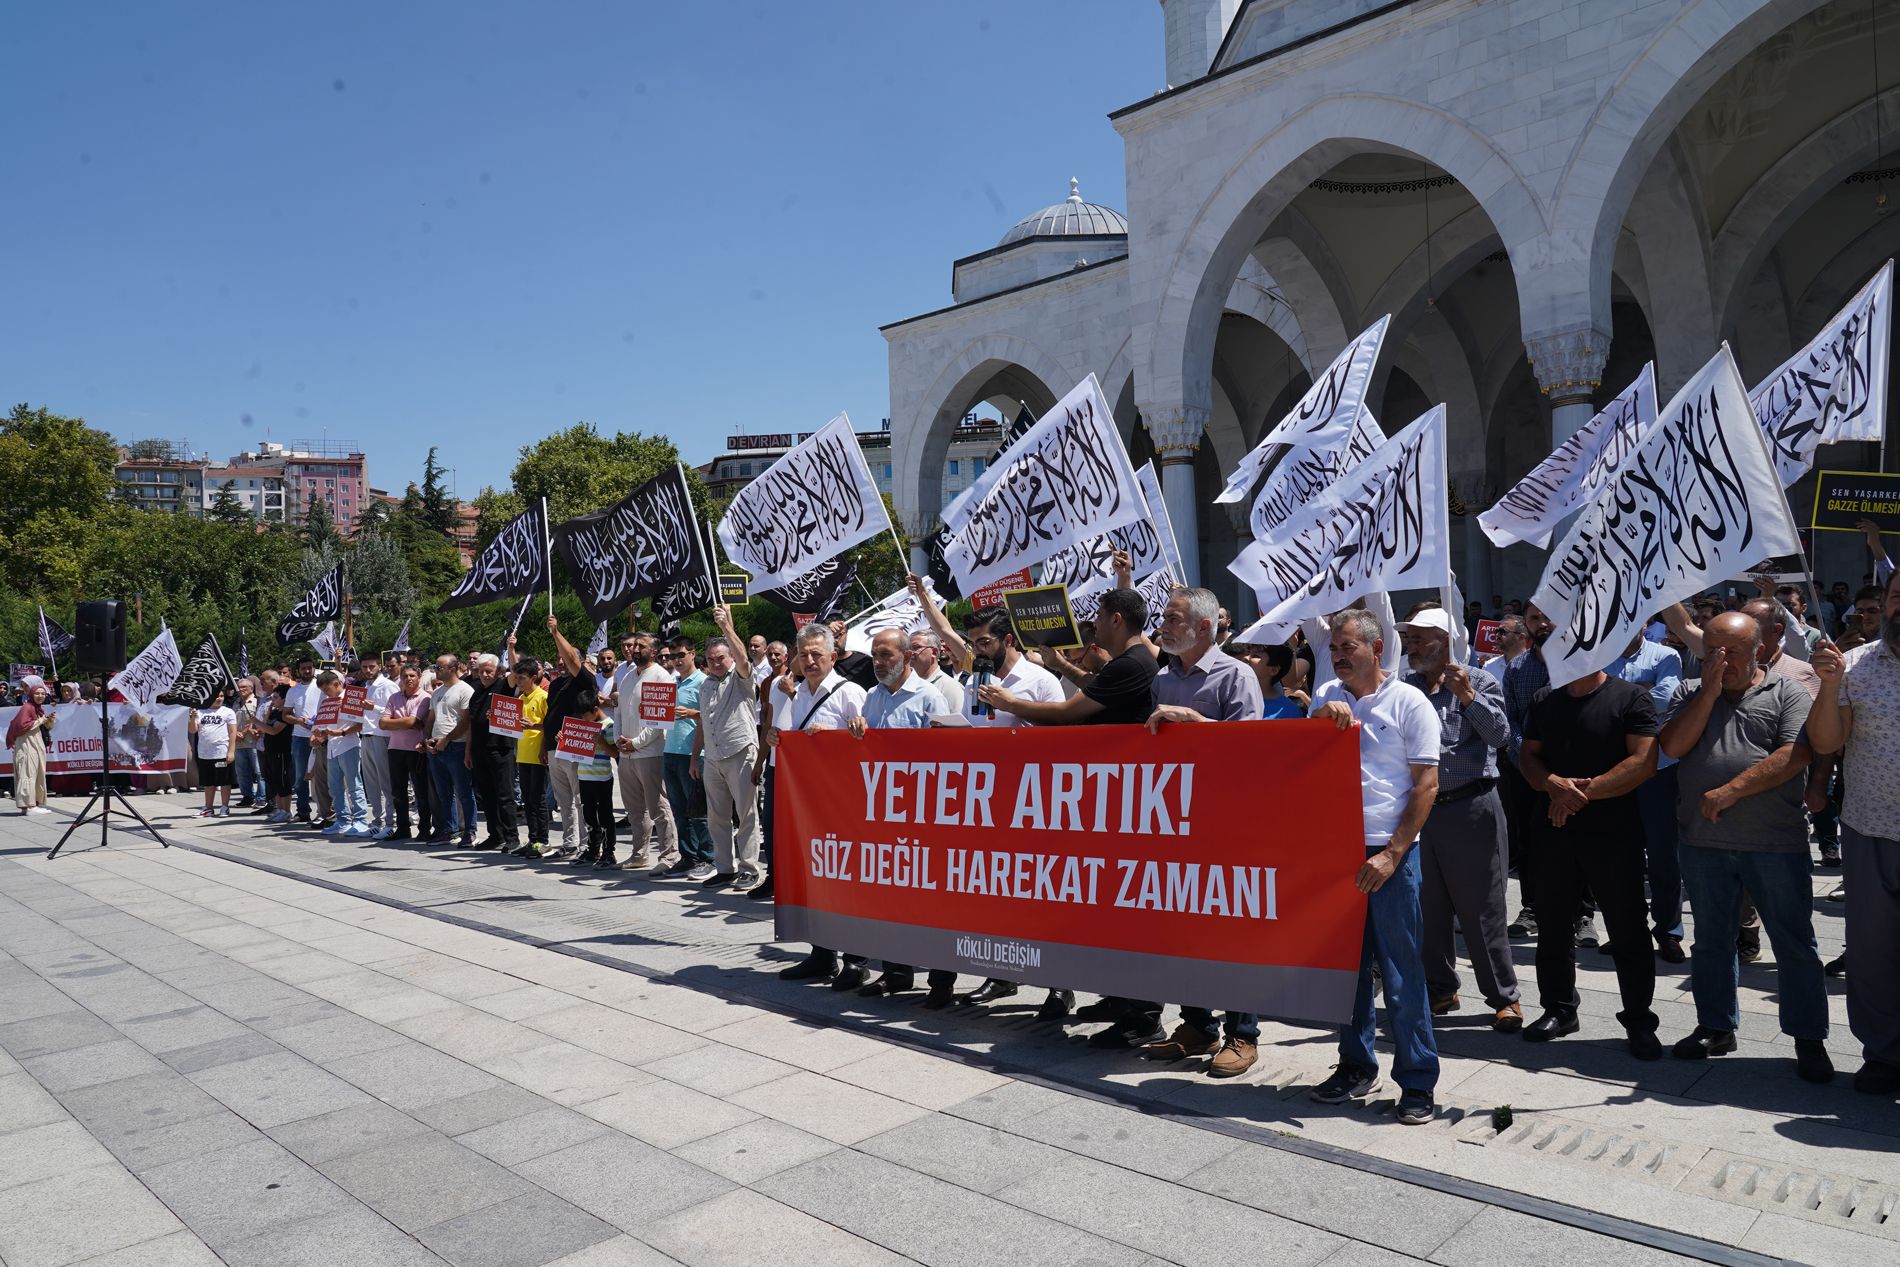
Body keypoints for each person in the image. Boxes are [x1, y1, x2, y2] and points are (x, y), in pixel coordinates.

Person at [1659, 612, 1828, 1081]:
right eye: (1711, 650)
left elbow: (1796, 752)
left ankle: (1808, 1037)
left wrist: (1732, 790)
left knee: (1794, 943)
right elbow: (1672, 747)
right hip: (1703, 841)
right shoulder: (1689, 692)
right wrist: (1709, 691)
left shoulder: (1788, 690)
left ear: (1759, 650)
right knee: (1712, 941)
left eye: (1731, 651)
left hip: (1772, 841)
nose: (1721, 659)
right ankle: (1715, 1026)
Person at [1308, 607, 1441, 1124]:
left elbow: (1426, 786)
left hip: (1390, 853)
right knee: (1346, 974)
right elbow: (1301, 757)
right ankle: (1355, 1066)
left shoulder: (1410, 702)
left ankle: (1417, 1080)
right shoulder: (1326, 697)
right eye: (1334, 650)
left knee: (1403, 973)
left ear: (1377, 648)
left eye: (1348, 648)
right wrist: (1319, 722)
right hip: (1336, 853)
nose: (1339, 657)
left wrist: (1392, 854)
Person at [1517, 651, 1662, 1058]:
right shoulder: (1545, 698)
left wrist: (1577, 793)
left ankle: (1639, 1019)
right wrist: (1551, 784)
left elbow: (1644, 761)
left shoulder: (1631, 698)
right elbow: (1529, 755)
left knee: (1627, 926)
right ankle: (1559, 1010)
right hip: (1552, 826)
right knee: (1553, 922)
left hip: (1613, 831)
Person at [1397, 609, 1522, 1033]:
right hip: (1420, 809)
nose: (1411, 646)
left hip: (1470, 808)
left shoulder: (1479, 680)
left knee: (1481, 908)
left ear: (1445, 641)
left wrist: (1467, 696)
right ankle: (1440, 987)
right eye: (1408, 639)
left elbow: (1501, 736)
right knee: (1426, 907)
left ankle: (1503, 996)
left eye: (1419, 639)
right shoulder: (1405, 687)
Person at [1808, 566, 1900, 1096]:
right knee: (1873, 952)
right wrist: (1829, 686)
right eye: (1895, 596)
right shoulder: (1858, 667)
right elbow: (1826, 743)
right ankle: (1885, 1055)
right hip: (1871, 830)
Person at [844, 627, 953, 998]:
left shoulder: (929, 697)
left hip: (924, 821)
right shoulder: (872, 698)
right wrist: (856, 731)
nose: (877, 662)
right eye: (875, 654)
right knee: (890, 902)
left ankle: (941, 982)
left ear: (908, 657)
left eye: (886, 655)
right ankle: (896, 972)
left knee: (934, 907)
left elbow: (945, 760)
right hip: (885, 822)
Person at [774, 624, 868, 984]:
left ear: (833, 656)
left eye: (817, 654)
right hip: (812, 806)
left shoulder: (850, 693)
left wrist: (837, 738)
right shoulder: (798, 695)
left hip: (845, 806)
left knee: (849, 884)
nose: (810, 660)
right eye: (804, 654)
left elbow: (869, 746)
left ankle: (855, 960)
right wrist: (777, 739)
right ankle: (822, 953)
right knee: (819, 880)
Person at [1604, 627, 1688, 963]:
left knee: (1664, 855)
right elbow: (1598, 701)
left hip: (1659, 768)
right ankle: (1627, 931)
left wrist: (1617, 698)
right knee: (1619, 856)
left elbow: (1666, 699)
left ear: (1644, 623)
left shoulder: (1666, 655)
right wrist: (1642, 691)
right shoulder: (1600, 656)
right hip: (1613, 767)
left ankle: (1668, 931)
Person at [696, 609, 763, 891]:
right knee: (717, 816)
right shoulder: (706, 685)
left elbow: (744, 659)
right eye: (711, 659)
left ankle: (749, 868)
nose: (716, 663)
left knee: (746, 814)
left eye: (721, 658)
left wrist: (727, 628)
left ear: (731, 657)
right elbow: (702, 722)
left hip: (739, 752)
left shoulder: (741, 678)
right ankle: (724, 868)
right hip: (713, 757)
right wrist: (695, 757)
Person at [1499, 604, 1553, 938]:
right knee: (1530, 841)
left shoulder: (1582, 662)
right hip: (1526, 771)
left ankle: (1581, 912)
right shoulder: (1517, 668)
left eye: (1547, 615)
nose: (1543, 622)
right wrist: (1527, 755)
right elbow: (1510, 718)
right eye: (1535, 618)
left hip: (1573, 769)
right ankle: (1532, 907)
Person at [614, 631, 678, 871]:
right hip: (626, 752)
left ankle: (669, 856)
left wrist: (637, 742)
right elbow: (620, 711)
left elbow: (660, 720)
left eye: (640, 646)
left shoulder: (662, 677)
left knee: (659, 808)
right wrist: (619, 739)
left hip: (649, 753)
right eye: (633, 645)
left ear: (653, 650)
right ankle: (639, 854)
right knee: (634, 810)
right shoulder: (629, 675)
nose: (634, 649)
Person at [536, 617, 599, 860]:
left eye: (565, 658)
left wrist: (555, 632)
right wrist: (544, 745)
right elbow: (548, 716)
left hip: (575, 746)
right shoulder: (555, 684)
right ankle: (569, 843)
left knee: (580, 798)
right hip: (554, 747)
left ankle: (587, 845)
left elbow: (573, 659)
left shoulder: (584, 680)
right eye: (558, 658)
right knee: (563, 801)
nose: (561, 662)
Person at [658, 637, 713, 878]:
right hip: (670, 750)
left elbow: (712, 715)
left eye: (681, 655)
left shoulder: (704, 682)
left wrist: (693, 713)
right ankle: (688, 856)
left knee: (698, 810)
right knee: (679, 810)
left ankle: (708, 857)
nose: (676, 660)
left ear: (692, 654)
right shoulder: (672, 682)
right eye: (672, 656)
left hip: (694, 753)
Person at [464, 654, 519, 852]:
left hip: (500, 748)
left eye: (489, 671)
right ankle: (495, 835)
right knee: (487, 796)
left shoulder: (504, 686)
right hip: (480, 750)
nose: (485, 675)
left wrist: (511, 648)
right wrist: (468, 751)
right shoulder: (477, 691)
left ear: (498, 672)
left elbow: (516, 670)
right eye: (481, 671)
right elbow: (471, 722)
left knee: (504, 795)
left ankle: (511, 837)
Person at [425, 655, 476, 846]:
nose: (436, 670)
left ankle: (469, 831)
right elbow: (431, 719)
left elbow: (466, 721)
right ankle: (448, 830)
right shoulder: (438, 692)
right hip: (437, 747)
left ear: (453, 668)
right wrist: (426, 739)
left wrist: (447, 739)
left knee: (464, 792)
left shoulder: (465, 690)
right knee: (444, 793)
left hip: (456, 746)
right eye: (436, 666)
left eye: (440, 667)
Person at [311, 670, 370, 837]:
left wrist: (341, 733)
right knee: (335, 787)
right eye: (322, 691)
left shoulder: (352, 697)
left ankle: (360, 821)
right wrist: (318, 737)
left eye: (327, 689)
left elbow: (361, 725)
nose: (325, 693)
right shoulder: (326, 701)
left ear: (337, 684)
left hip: (349, 745)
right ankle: (342, 820)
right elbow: (320, 726)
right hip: (331, 747)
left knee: (354, 785)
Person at [379, 665, 432, 841]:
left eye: (412, 675)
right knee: (398, 792)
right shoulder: (394, 697)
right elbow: (382, 723)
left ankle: (425, 829)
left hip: (416, 750)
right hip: (395, 748)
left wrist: (397, 721)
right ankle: (403, 828)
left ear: (418, 678)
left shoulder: (424, 698)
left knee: (421, 792)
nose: (408, 679)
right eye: (405, 676)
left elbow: (412, 721)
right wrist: (407, 722)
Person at [510, 656, 551, 857]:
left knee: (538, 798)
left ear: (534, 677)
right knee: (527, 798)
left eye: (522, 678)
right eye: (517, 678)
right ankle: (533, 837)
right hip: (522, 755)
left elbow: (550, 726)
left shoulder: (542, 697)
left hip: (537, 754)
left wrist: (534, 727)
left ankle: (542, 840)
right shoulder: (520, 698)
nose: (519, 681)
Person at [357, 653, 397, 839]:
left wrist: (374, 708)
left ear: (379, 666)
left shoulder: (388, 685)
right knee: (371, 782)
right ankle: (377, 820)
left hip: (382, 736)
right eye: (364, 667)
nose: (368, 670)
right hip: (366, 735)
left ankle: (392, 821)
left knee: (386, 781)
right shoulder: (365, 686)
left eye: (371, 667)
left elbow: (396, 712)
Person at [284, 658, 328, 824]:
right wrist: (299, 720)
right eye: (304, 668)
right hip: (300, 737)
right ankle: (303, 811)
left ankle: (323, 812)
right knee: (300, 777)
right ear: (298, 670)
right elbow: (285, 714)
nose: (307, 671)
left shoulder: (322, 687)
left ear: (314, 669)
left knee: (321, 776)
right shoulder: (293, 691)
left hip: (321, 736)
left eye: (310, 668)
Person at [575, 702, 618, 866]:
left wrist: (602, 742)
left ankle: (608, 852)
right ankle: (593, 849)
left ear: (595, 710)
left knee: (605, 816)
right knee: (589, 816)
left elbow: (614, 753)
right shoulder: (584, 725)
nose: (583, 719)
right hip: (584, 776)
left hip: (601, 778)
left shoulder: (608, 726)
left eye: (585, 715)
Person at [8, 676, 55, 815]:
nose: (40, 696)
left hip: (35, 744)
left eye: (42, 693)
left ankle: (34, 803)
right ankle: (28, 806)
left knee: (37, 773)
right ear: (31, 695)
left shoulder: (37, 709)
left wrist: (49, 721)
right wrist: (42, 720)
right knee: (27, 773)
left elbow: (45, 727)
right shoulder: (27, 708)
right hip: (26, 745)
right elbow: (22, 727)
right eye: (37, 693)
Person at [190, 690, 240, 819]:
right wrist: (192, 718)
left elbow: (233, 732)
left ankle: (224, 806)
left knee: (224, 781)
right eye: (216, 696)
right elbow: (193, 730)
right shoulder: (200, 711)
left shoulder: (227, 712)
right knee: (208, 782)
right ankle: (208, 808)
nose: (219, 698)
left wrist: (231, 751)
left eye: (222, 696)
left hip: (221, 753)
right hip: (205, 754)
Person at [1232, 643, 1307, 719]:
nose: (1246, 658)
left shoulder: (1289, 712)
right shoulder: (1227, 697)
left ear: (1273, 670)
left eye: (1255, 656)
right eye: (1248, 653)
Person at [258, 683, 295, 823]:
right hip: (270, 750)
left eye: (276, 697)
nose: (273, 700)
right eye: (272, 697)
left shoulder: (285, 715)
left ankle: (286, 810)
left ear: (285, 699)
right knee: (274, 781)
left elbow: (273, 730)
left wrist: (256, 721)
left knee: (282, 781)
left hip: (282, 750)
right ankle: (279, 809)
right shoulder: (274, 712)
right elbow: (267, 726)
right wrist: (268, 713)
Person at [909, 630, 965, 715]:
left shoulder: (951, 688)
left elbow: (959, 726)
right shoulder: (904, 686)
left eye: (916, 647)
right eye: (908, 649)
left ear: (934, 652)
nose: (910, 653)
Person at [232, 676, 264, 810]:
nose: (241, 690)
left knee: (258, 771)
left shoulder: (257, 702)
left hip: (252, 742)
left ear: (251, 688)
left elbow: (255, 719)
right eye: (239, 688)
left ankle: (262, 798)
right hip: (238, 743)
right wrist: (235, 734)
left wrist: (244, 732)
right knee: (242, 772)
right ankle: (247, 796)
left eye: (244, 687)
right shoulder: (235, 703)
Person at [827, 618, 879, 691]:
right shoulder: (820, 664)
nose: (834, 640)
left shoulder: (866, 663)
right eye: (829, 636)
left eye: (839, 634)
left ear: (847, 634)